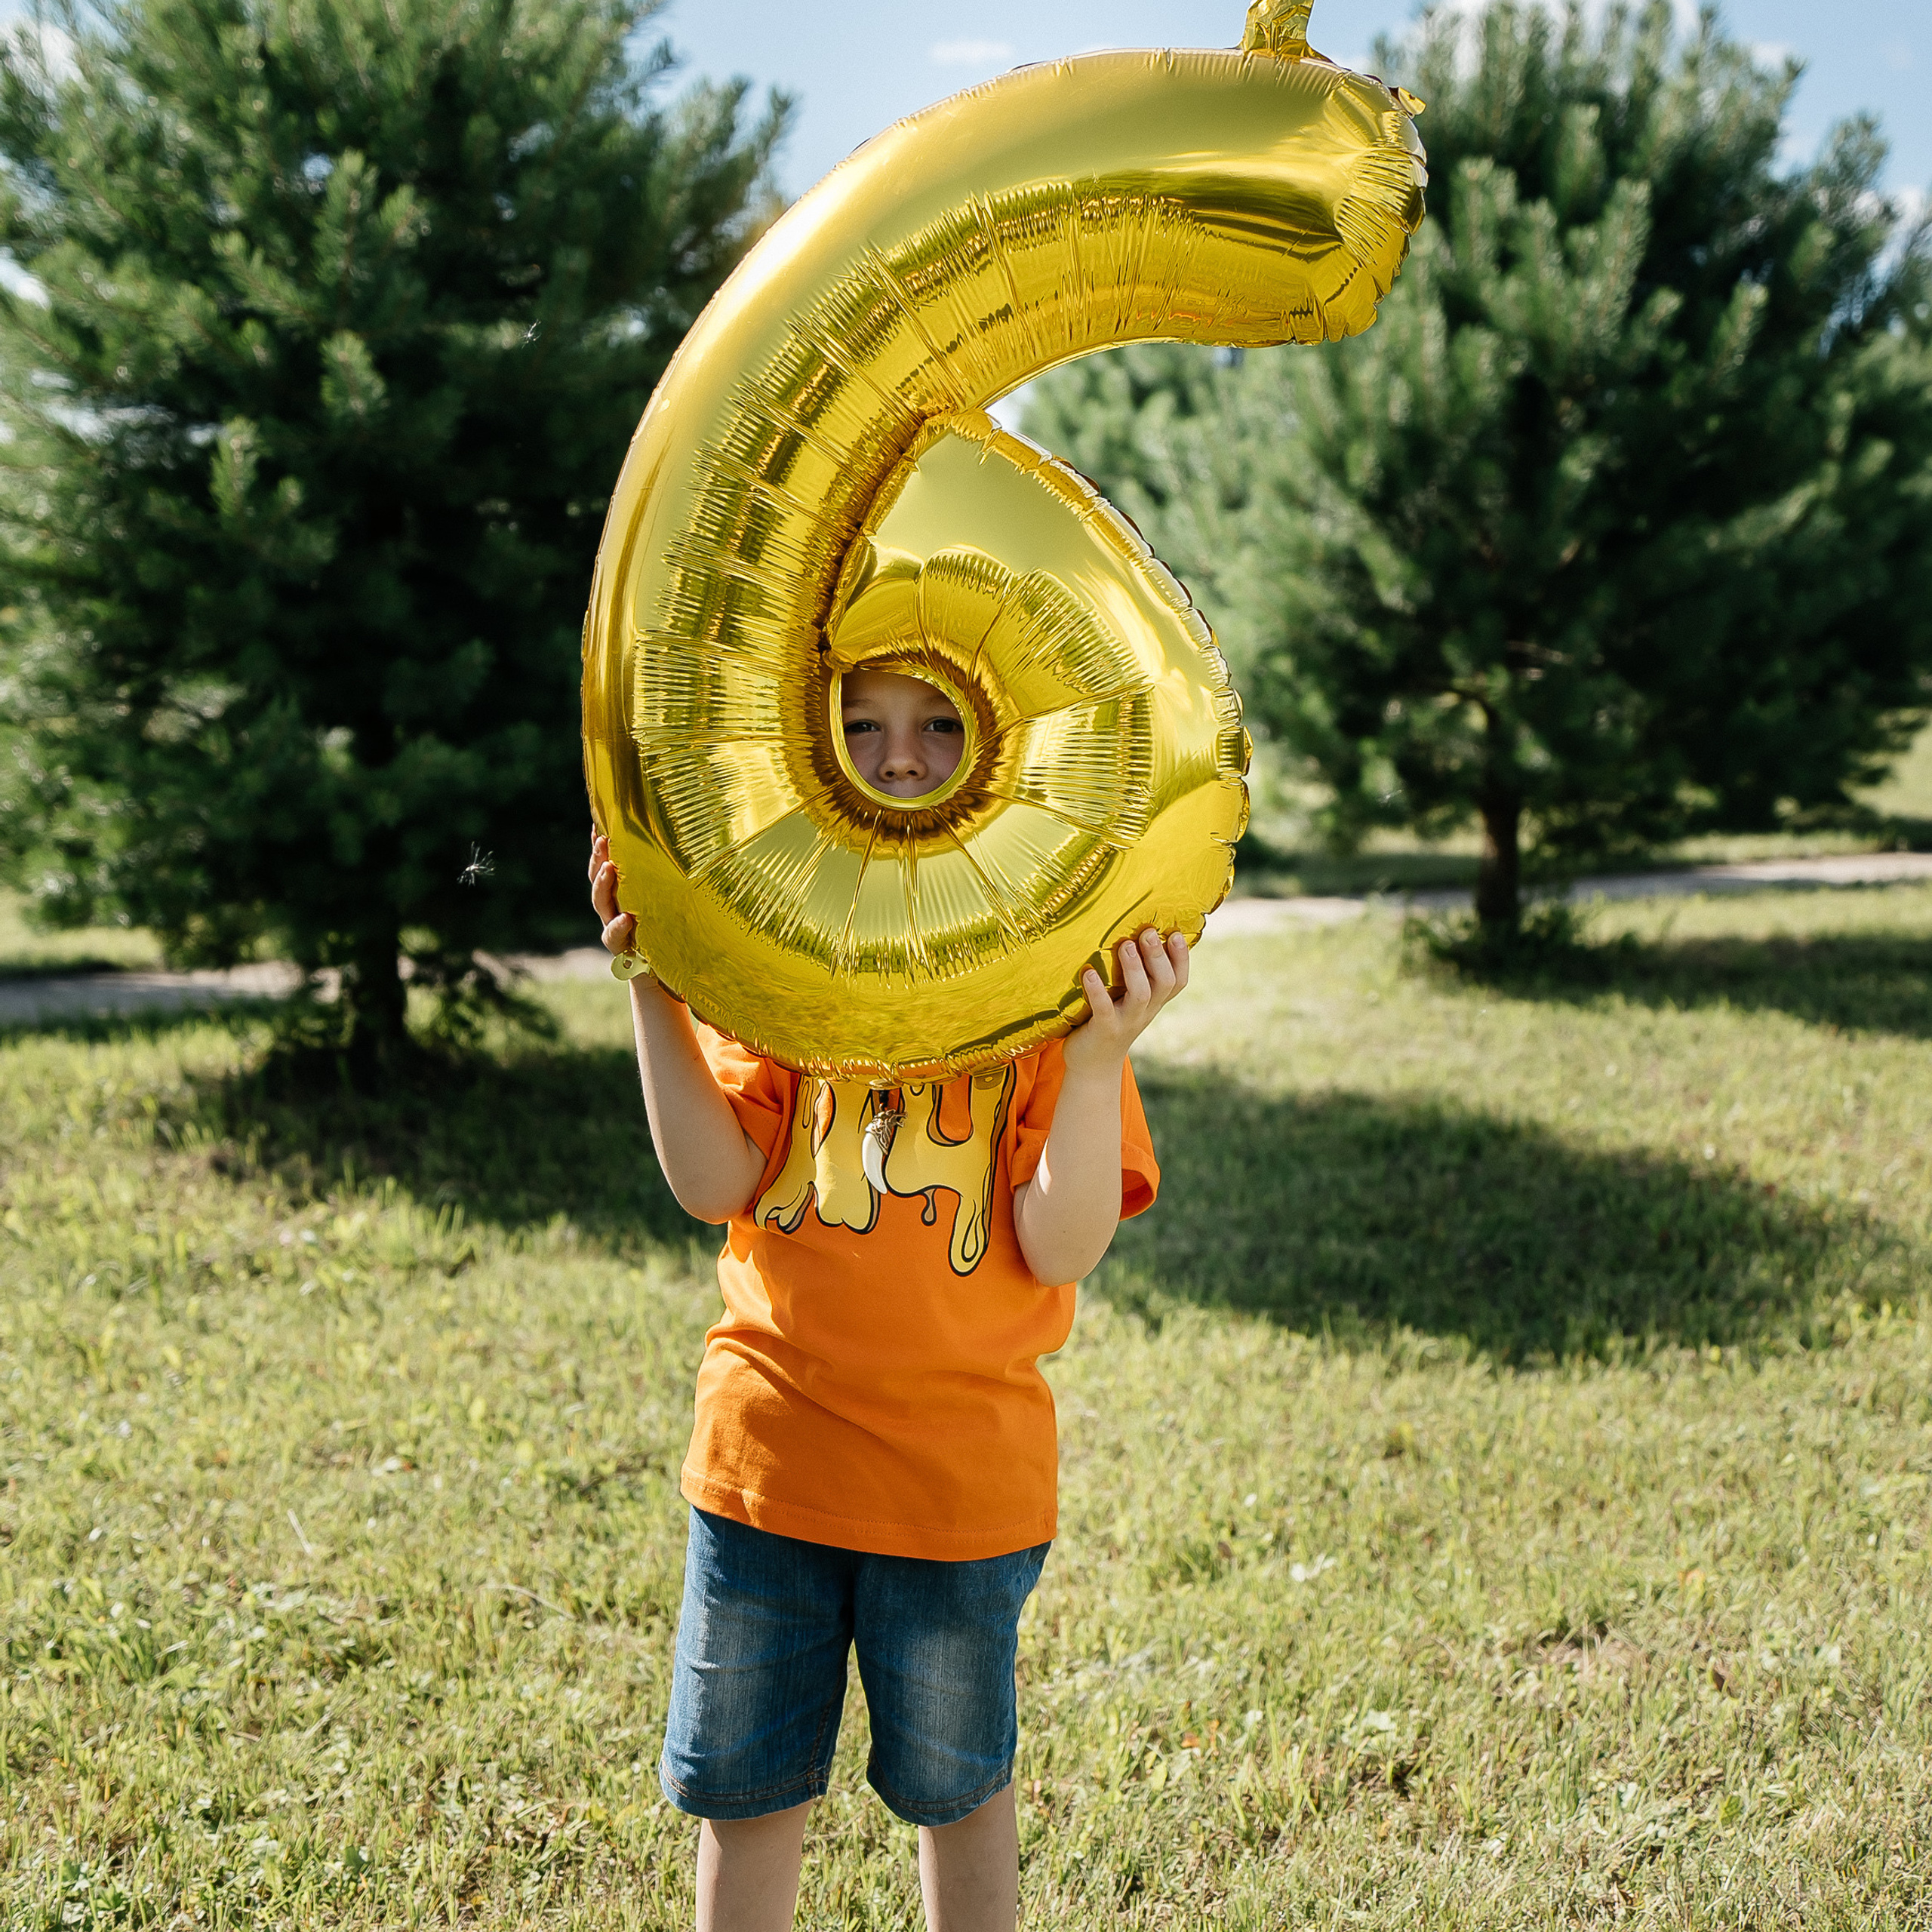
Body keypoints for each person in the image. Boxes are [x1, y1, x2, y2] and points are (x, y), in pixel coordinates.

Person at [589, 667, 1189, 1932]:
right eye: (862, 726)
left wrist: (1093, 1065)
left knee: (958, 1791)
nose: (900, 755)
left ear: (998, 759)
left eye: (939, 727)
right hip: (769, 1459)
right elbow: (713, 1183)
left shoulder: (1045, 984)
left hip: (959, 1488)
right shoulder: (780, 960)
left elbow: (1062, 1243)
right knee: (743, 1795)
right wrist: (655, 980)